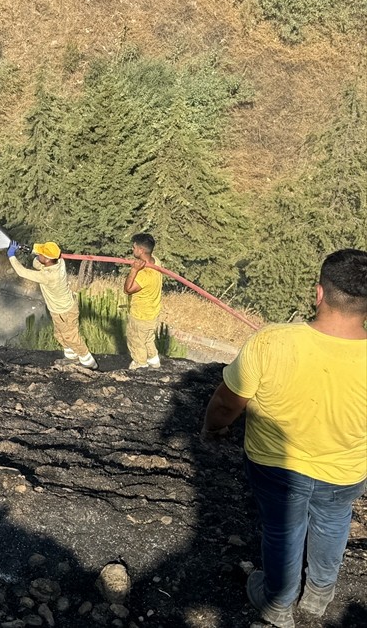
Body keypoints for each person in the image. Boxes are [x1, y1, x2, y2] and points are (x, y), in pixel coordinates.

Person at [201, 249, 367, 628]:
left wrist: (213, 429)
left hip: (276, 466)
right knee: (334, 522)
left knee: (282, 529)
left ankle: (278, 603)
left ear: (319, 293)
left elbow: (227, 402)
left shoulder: (272, 341)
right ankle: (319, 596)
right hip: (345, 470)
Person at [6, 240, 97, 369]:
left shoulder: (48, 276)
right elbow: (38, 262)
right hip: (58, 310)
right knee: (59, 334)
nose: (39, 255)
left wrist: (12, 256)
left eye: (41, 254)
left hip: (65, 311)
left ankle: (88, 362)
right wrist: (29, 250)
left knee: (71, 337)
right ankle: (71, 357)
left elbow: (22, 272)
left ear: (48, 259)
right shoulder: (59, 262)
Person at [123, 232, 162, 369]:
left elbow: (127, 289)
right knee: (147, 339)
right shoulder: (156, 261)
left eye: (134, 248)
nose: (132, 250)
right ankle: (154, 362)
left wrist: (134, 270)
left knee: (136, 341)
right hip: (152, 314)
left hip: (141, 316)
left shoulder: (145, 275)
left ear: (141, 250)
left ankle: (140, 367)